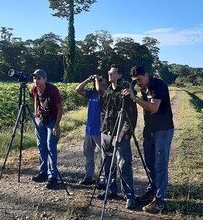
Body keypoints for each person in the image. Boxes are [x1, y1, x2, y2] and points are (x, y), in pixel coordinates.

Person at [122, 65, 175, 214]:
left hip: (163, 130)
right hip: (149, 130)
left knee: (160, 165)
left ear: (147, 75)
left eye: (139, 79)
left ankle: (160, 201)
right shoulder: (142, 87)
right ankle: (152, 190)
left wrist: (135, 97)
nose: (137, 83)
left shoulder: (158, 85)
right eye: (135, 81)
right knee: (150, 163)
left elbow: (154, 108)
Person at [99, 64, 137, 210]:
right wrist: (103, 128)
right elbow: (104, 110)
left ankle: (129, 196)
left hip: (120, 134)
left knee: (124, 165)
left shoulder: (125, 91)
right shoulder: (108, 90)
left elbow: (131, 114)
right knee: (107, 164)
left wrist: (124, 132)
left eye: (113, 72)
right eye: (109, 72)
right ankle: (110, 190)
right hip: (106, 132)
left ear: (120, 75)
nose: (110, 74)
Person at [29, 69, 63, 189]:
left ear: (45, 79)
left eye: (38, 78)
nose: (36, 81)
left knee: (50, 146)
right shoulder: (33, 88)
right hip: (40, 120)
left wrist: (57, 125)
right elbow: (35, 101)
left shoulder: (52, 89)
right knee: (41, 146)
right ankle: (43, 172)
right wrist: (36, 117)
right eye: (34, 78)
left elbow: (60, 107)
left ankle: (52, 176)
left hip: (52, 120)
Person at [75, 74, 106, 186]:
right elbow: (78, 89)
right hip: (89, 129)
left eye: (101, 80)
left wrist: (98, 80)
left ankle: (104, 179)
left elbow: (100, 89)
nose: (97, 82)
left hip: (100, 129)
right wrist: (88, 79)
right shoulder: (92, 94)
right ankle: (89, 176)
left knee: (104, 155)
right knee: (88, 154)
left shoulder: (105, 94)